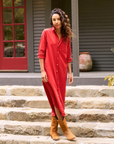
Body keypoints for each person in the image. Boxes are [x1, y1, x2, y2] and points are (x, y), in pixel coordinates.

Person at [38, 8, 76, 141]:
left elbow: (68, 57)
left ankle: (53, 130)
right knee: (55, 98)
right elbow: (41, 53)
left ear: (62, 20)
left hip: (62, 74)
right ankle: (65, 128)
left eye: (58, 19)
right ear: (51, 21)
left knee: (59, 99)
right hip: (49, 72)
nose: (56, 22)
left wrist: (70, 73)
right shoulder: (46, 33)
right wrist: (42, 71)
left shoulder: (66, 37)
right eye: (54, 19)